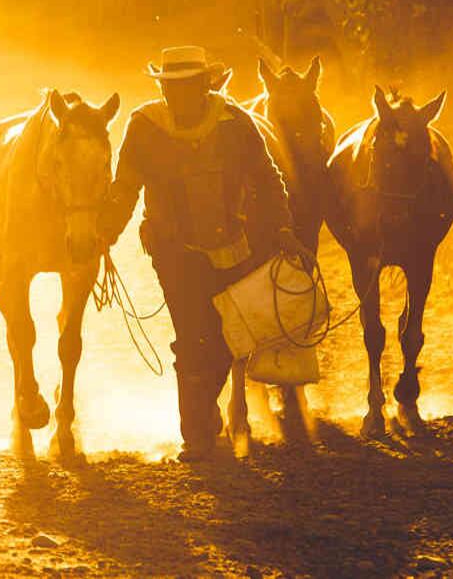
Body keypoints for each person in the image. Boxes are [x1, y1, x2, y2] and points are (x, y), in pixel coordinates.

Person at [99, 46, 302, 462]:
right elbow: (124, 189)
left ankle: (203, 414)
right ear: (164, 89)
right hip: (174, 254)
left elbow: (268, 177)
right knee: (192, 340)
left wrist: (282, 229)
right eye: (170, 87)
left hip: (232, 247)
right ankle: (196, 437)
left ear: (204, 86)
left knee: (228, 339)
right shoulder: (144, 127)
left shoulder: (235, 124)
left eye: (185, 86)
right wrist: (106, 233)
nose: (177, 95)